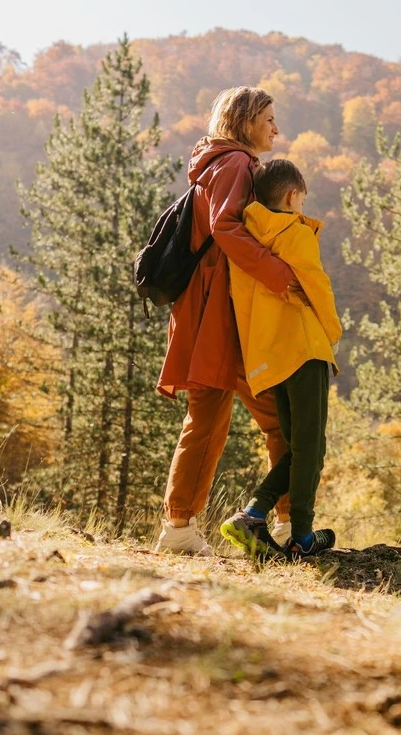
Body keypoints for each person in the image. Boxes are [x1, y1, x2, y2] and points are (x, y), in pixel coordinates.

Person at [155, 87, 297, 555]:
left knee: (211, 418)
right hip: (222, 313)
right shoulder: (236, 163)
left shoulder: (217, 162)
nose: (276, 129)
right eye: (269, 119)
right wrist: (281, 275)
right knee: (280, 417)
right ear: (246, 121)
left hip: (209, 310)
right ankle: (287, 524)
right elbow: (226, 227)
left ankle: (180, 528)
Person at [220, 158, 341, 561]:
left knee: (297, 446)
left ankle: (253, 513)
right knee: (312, 448)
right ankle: (302, 536)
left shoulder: (247, 238)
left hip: (271, 355)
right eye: (302, 199)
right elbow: (318, 287)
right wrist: (333, 333)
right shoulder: (295, 232)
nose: (303, 206)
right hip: (306, 347)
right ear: (292, 197)